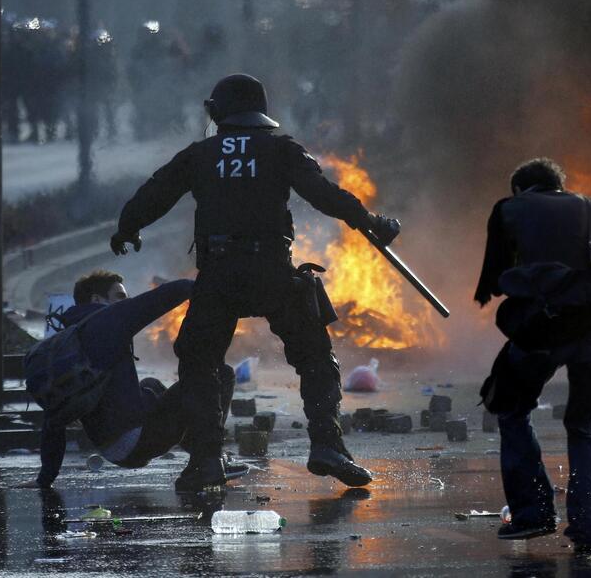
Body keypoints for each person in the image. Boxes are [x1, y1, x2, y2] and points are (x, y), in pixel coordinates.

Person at [110, 73, 400, 492]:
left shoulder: (201, 154)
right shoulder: (281, 149)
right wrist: (371, 223)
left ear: (218, 112)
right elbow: (323, 194)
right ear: (260, 112)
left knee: (198, 362)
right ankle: (326, 445)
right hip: (271, 270)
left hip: (219, 273)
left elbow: (156, 192)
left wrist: (127, 228)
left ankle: (206, 459)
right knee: (314, 355)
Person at [475, 158, 591, 557]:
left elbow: (494, 277)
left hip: (545, 325)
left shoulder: (508, 208)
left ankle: (534, 512)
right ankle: (588, 527)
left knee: (510, 408)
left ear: (521, 189)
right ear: (559, 186)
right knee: (583, 425)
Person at [26, 270, 246, 489]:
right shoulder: (108, 320)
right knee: (219, 375)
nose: (126, 301)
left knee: (151, 385)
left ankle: (198, 452)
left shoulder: (73, 336)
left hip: (112, 449)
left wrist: (46, 478)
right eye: (120, 296)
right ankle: (205, 463)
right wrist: (214, 287)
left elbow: (54, 419)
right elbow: (171, 293)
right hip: (137, 441)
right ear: (96, 299)